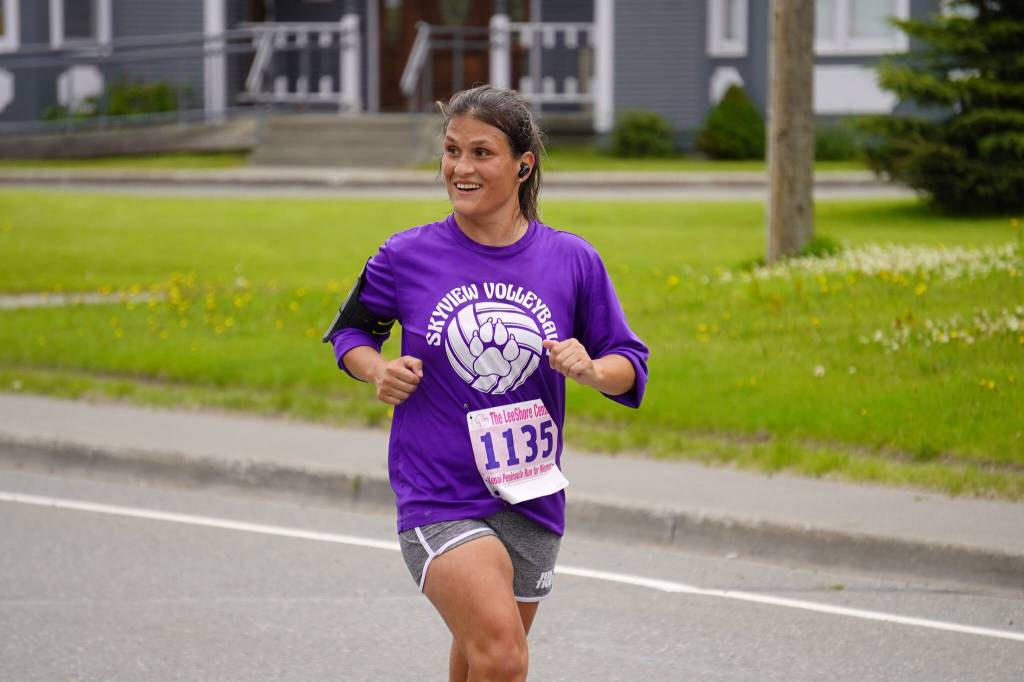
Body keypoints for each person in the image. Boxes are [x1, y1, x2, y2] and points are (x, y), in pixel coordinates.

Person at [325, 85, 648, 681]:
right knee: (502, 651)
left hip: (530, 490)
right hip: (438, 491)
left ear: (523, 166)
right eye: (452, 151)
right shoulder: (405, 255)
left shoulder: (573, 260)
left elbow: (628, 361)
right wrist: (377, 369)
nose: (461, 168)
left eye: (481, 153)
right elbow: (351, 335)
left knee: (480, 655)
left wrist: (591, 369)